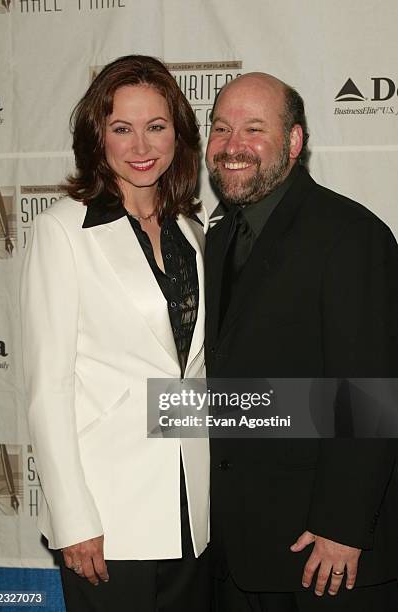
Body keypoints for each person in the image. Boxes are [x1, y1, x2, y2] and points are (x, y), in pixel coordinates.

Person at [20, 55, 210, 612]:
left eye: (156, 126)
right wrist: (73, 517)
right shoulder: (63, 231)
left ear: (178, 133)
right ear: (96, 138)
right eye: (121, 129)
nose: (140, 145)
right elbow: (47, 389)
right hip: (108, 513)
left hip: (191, 509)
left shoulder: (192, 231)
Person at [205, 72, 398, 611]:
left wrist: (343, 525)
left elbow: (371, 390)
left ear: (293, 142)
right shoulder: (217, 239)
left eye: (253, 129)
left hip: (322, 556)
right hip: (236, 550)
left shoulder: (350, 235)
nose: (232, 145)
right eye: (221, 129)